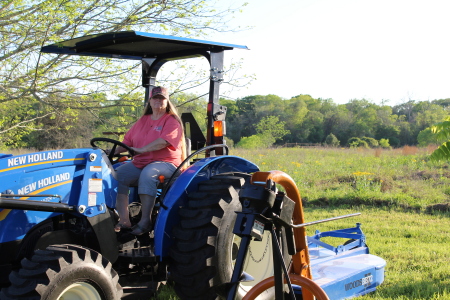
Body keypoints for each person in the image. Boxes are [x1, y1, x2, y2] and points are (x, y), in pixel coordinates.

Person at [113, 86, 185, 235]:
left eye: (162, 98)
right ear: (150, 101)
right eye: (155, 98)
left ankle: (145, 221)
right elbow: (126, 142)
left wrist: (141, 150)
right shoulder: (142, 121)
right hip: (141, 162)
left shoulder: (171, 120)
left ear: (167, 101)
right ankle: (124, 220)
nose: (158, 101)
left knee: (149, 173)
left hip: (167, 163)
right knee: (116, 175)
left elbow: (163, 142)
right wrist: (109, 151)